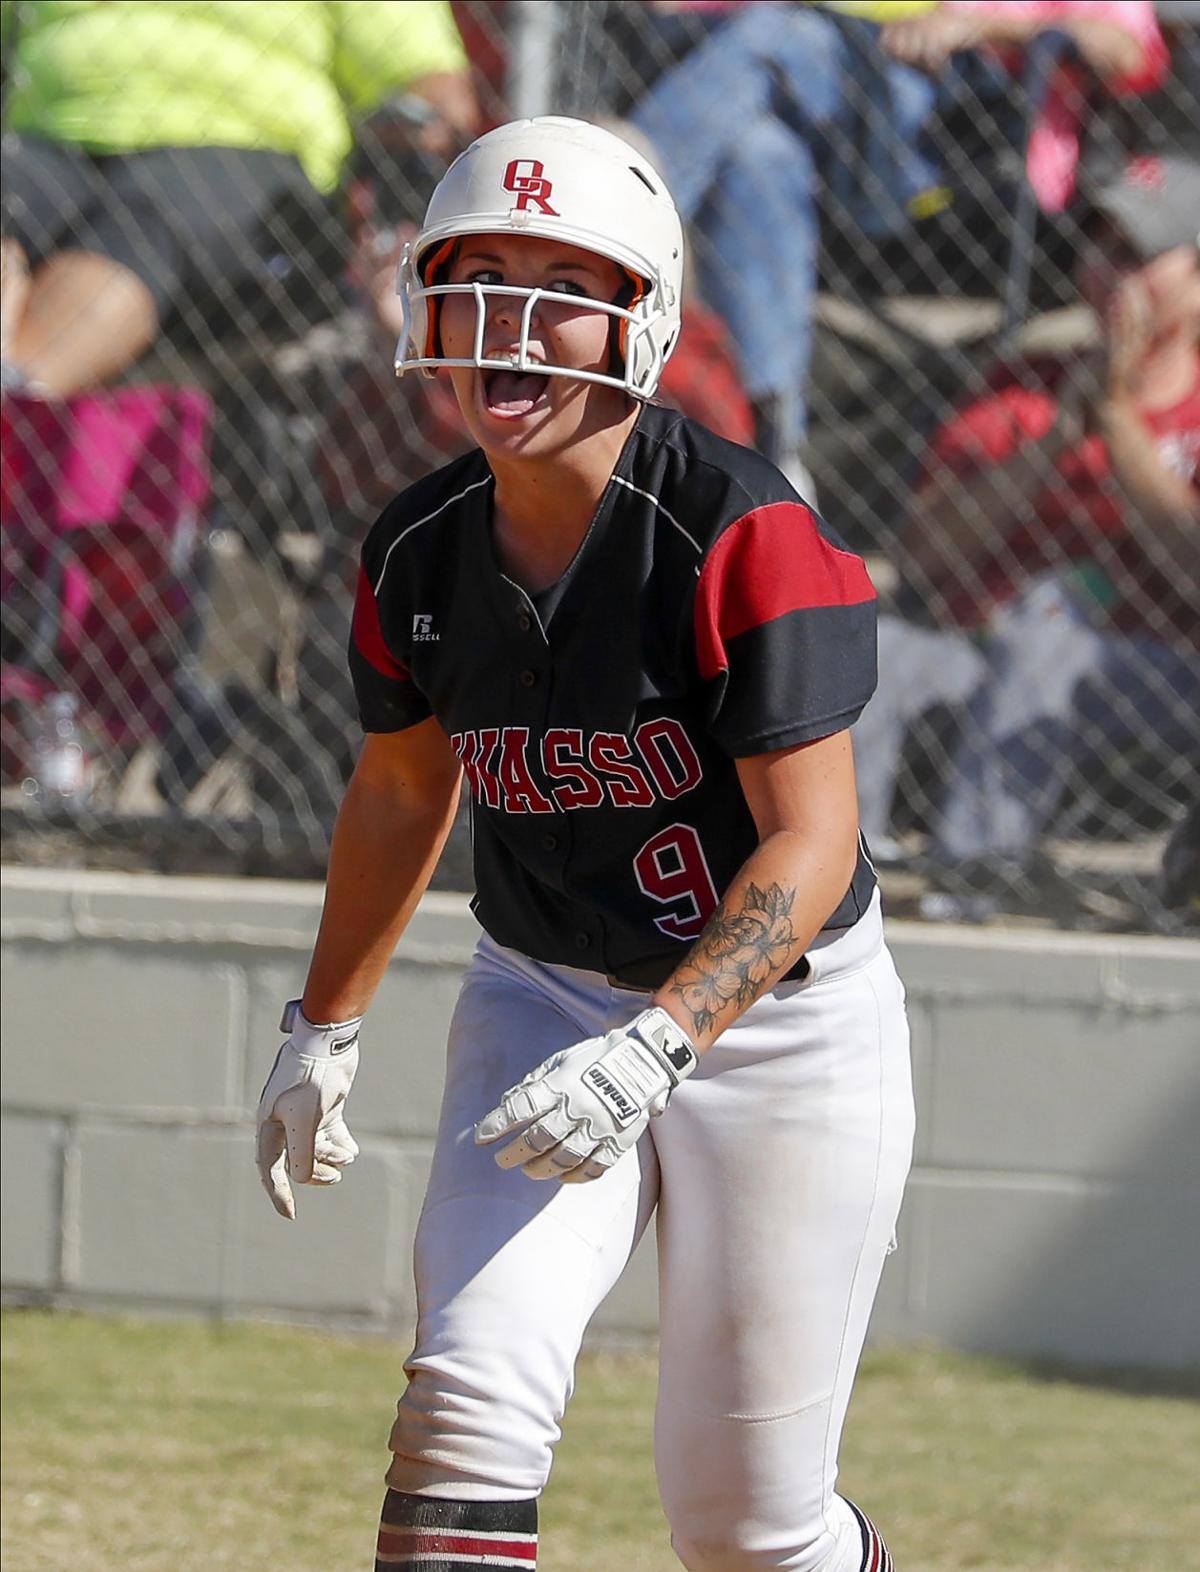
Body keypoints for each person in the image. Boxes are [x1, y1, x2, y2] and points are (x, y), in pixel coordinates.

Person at [254, 117, 914, 1572]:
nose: (506, 317)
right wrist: (324, 1026)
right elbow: (398, 793)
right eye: (476, 273)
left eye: (561, 281)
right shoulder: (415, 549)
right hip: (544, 990)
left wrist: (662, 1041)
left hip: (779, 1034)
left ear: (646, 317)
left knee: (744, 1528)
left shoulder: (743, 527)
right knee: (465, 1407)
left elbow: (814, 840)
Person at [627, 0, 1169, 487]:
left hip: (968, 149)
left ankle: (621, 212)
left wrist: (980, 27)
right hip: (862, 121)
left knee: (778, 35)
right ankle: (773, 451)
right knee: (760, 155)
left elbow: (1122, 51)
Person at [852, 153, 1200, 893]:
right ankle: (839, 894)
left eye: (1138, 257)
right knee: (866, 649)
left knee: (1049, 624)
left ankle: (974, 879)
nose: (1111, 274)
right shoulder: (1024, 385)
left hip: (1153, 670)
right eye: (1101, 247)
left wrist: (1116, 421)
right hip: (982, 653)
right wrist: (1052, 444)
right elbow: (922, 556)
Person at [0, 0, 479, 396]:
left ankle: (20, 395)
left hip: (247, 152)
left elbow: (427, 82)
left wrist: (419, 136)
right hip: (51, 141)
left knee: (140, 224)